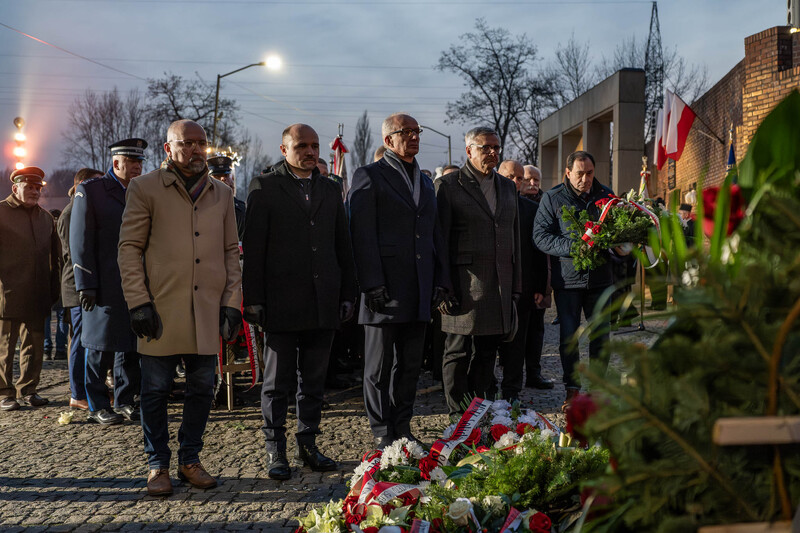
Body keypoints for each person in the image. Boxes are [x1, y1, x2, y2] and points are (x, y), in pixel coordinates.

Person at [118, 119, 242, 496]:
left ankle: (190, 459)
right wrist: (138, 302)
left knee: (204, 387)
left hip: (206, 308)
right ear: (168, 148)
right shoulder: (144, 187)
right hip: (161, 308)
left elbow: (230, 252)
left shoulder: (220, 194)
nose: (194, 149)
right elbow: (129, 249)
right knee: (155, 390)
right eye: (186, 143)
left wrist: (232, 303)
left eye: (200, 143)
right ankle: (157, 464)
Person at [243, 124, 357, 481]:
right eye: (302, 146)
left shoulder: (329, 188)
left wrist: (348, 293)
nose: (310, 151)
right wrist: (254, 300)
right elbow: (254, 250)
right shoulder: (265, 187)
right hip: (280, 304)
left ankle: (308, 443)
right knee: (277, 383)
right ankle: (275, 449)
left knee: (314, 381)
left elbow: (344, 245)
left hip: (323, 301)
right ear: (284, 148)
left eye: (314, 146)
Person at [349, 113, 450, 449]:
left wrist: (440, 279)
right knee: (378, 368)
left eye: (417, 131)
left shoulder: (424, 181)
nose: (414, 136)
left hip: (420, 287)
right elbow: (361, 234)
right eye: (405, 132)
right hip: (384, 289)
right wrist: (371, 283)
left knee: (409, 366)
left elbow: (435, 233)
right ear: (388, 140)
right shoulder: (370, 176)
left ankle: (402, 426)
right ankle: (381, 430)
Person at [435, 127, 522, 416]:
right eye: (485, 147)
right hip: (464, 285)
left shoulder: (507, 187)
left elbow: (514, 237)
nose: (493, 153)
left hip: (500, 284)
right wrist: (443, 286)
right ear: (469, 150)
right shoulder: (449, 185)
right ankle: (457, 415)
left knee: (487, 353)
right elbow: (440, 241)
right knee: (458, 352)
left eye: (496, 147)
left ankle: (481, 410)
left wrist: (516, 286)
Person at [71, 138, 147, 426]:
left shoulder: (142, 191)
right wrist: (85, 283)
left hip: (135, 283)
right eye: (132, 162)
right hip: (103, 283)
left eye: (140, 161)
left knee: (131, 345)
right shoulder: (91, 191)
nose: (138, 166)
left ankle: (126, 400)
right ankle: (97, 404)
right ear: (116, 163)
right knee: (99, 346)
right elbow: (80, 240)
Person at [533, 150, 616, 410]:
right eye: (579, 174)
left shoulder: (607, 196)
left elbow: (616, 231)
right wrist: (575, 247)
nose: (585, 179)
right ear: (567, 173)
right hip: (568, 282)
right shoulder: (553, 198)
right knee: (569, 337)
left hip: (601, 280)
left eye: (589, 173)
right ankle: (573, 390)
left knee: (601, 336)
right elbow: (540, 236)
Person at [0, 167, 60, 411]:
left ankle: (29, 389)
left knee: (34, 347)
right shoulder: (1, 212)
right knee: (5, 347)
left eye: (38, 188)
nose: (35, 191)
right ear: (16, 188)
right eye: (30, 187)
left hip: (37, 294)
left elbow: (55, 258)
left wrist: (53, 290)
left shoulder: (45, 217)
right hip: (7, 294)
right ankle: (4, 392)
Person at [496, 160, 549, 400]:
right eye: (510, 177)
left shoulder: (530, 208)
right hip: (491, 285)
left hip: (523, 286)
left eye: (520, 178)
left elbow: (538, 251)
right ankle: (484, 387)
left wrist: (540, 287)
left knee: (518, 341)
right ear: (498, 175)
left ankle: (512, 391)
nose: (516, 182)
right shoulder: (487, 204)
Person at [58, 168, 103, 410]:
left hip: (84, 284)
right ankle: (77, 392)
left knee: (88, 339)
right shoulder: (69, 213)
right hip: (75, 287)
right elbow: (73, 254)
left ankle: (87, 389)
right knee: (80, 340)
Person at [44, 209, 68, 361]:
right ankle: (60, 349)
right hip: (62, 280)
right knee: (61, 316)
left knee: (46, 317)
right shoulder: (64, 234)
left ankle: (47, 349)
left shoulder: (45, 234)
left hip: (47, 280)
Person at [208, 155, 246, 240]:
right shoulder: (201, 207)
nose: (223, 179)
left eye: (226, 175)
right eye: (217, 176)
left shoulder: (241, 209)